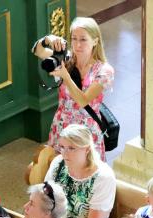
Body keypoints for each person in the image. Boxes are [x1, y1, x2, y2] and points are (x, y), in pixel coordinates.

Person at [33, 17, 114, 161]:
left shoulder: (104, 71)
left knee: (85, 171)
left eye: (83, 39)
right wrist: (48, 40)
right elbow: (37, 51)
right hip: (61, 126)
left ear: (95, 41)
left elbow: (83, 100)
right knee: (59, 170)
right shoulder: (66, 59)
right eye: (74, 39)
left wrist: (66, 77)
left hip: (86, 131)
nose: (77, 44)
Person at [45, 124, 117, 218]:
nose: (64, 153)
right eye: (62, 147)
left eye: (71, 148)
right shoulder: (58, 163)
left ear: (87, 149)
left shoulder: (103, 177)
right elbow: (44, 199)